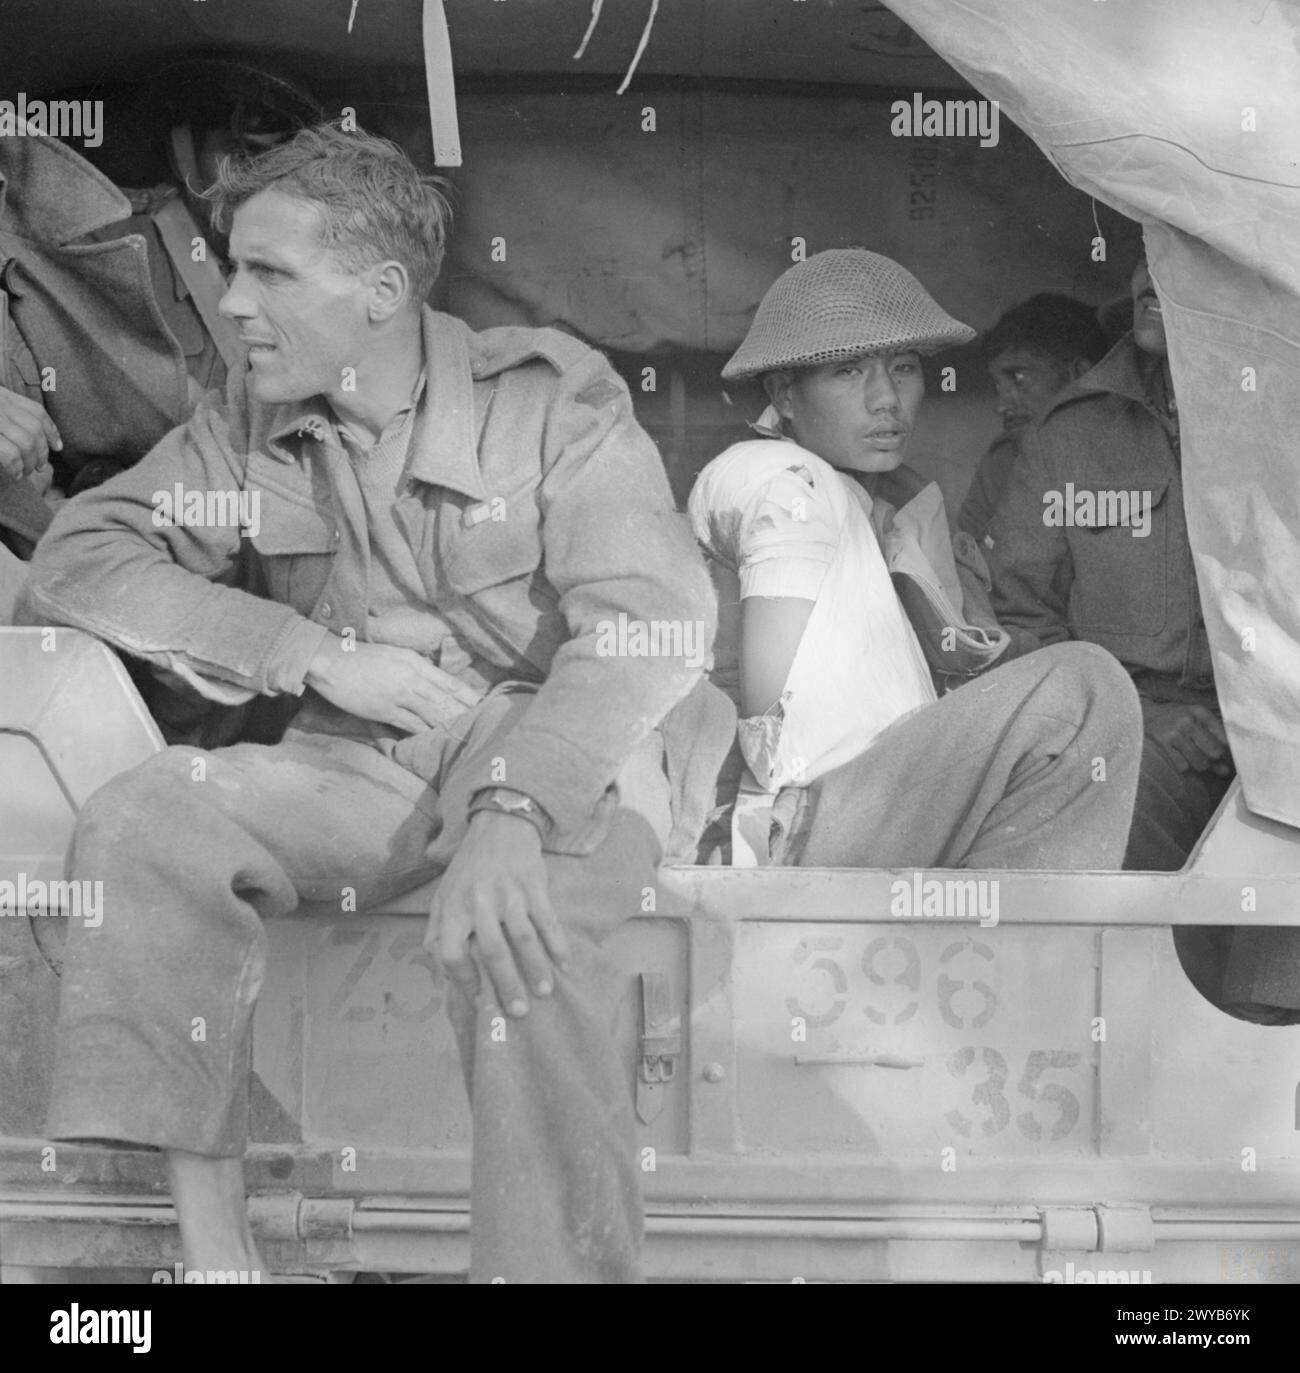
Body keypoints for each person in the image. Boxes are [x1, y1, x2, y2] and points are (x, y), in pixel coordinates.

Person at [19, 122, 722, 1283]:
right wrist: (302, 650)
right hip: (362, 763)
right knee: (151, 812)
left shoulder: (552, 400)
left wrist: (507, 808)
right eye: (233, 267)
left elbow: (649, 629)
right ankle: (218, 1253)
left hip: (560, 748)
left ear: (382, 291)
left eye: (269, 273)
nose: (232, 302)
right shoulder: (242, 420)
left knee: (516, 935)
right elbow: (80, 559)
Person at [688, 248, 1143, 872]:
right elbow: (770, 721)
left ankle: (990, 948)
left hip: (860, 801)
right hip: (806, 817)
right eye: (848, 372)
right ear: (783, 395)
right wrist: (764, 829)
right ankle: (1023, 953)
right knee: (1084, 689)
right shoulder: (783, 476)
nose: (886, 400)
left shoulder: (881, 499)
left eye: (902, 368)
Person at [985, 250, 1300, 1022]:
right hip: (1132, 724)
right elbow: (1021, 623)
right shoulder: (1074, 433)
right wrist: (1136, 715)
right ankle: (1111, 1067)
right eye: (1146, 248)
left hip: (1283, 726)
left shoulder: (1285, 411)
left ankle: (1261, 1097)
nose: (1154, 268)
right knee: (1095, 820)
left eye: (1188, 246)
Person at [0, 60, 321, 566]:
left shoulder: (317, 273)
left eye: (279, 159)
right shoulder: (100, 253)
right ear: (184, 154)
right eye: (237, 154)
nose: (258, 179)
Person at [958, 292, 1108, 543]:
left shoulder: (1147, 449)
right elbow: (976, 571)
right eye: (997, 385)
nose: (1001, 406)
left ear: (1080, 375)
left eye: (1018, 378)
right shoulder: (1001, 466)